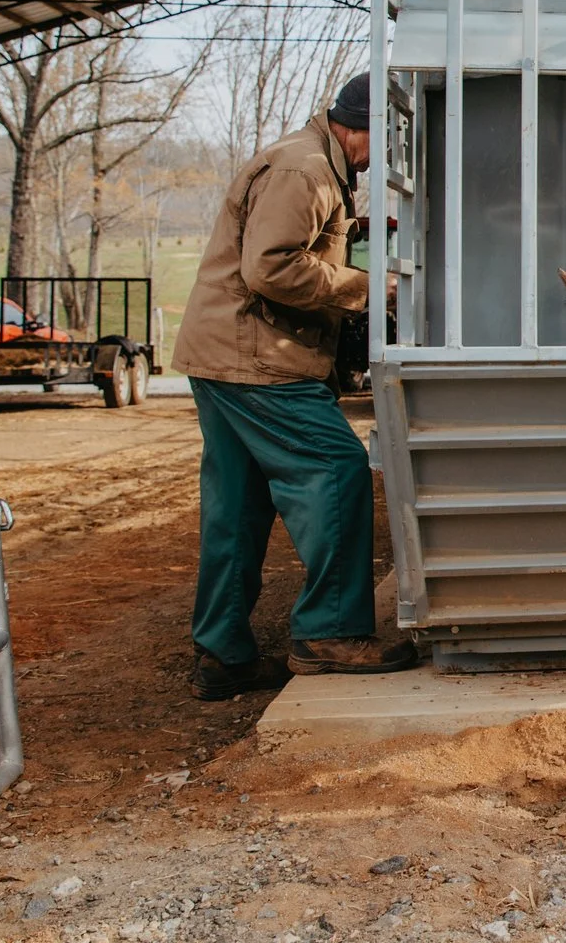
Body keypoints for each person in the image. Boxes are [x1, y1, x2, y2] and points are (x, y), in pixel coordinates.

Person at [172, 72, 415, 700]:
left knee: (238, 506)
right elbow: (270, 264)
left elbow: (292, 241)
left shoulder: (310, 166)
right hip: (259, 356)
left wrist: (354, 235)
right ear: (361, 130)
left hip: (222, 355)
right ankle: (329, 633)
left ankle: (223, 655)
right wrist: (369, 289)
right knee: (336, 471)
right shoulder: (303, 171)